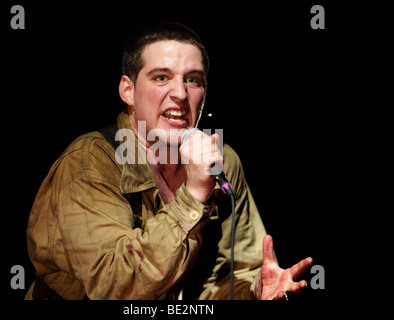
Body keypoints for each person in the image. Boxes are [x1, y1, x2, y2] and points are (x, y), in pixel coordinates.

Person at [25, 21, 312, 300]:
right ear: (128, 90)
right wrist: (195, 196)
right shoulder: (90, 161)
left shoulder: (221, 161)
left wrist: (255, 292)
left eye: (192, 80)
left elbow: (223, 279)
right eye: (161, 77)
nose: (180, 93)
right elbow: (115, 286)